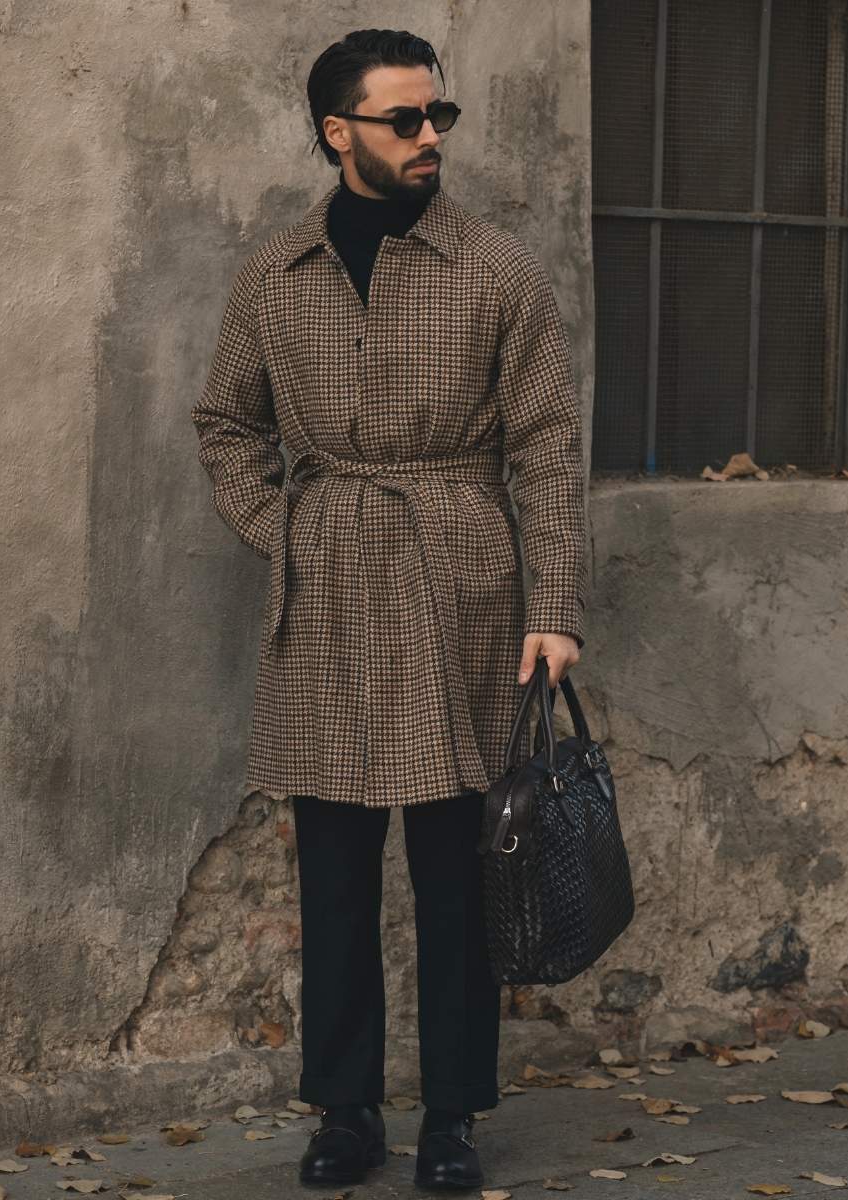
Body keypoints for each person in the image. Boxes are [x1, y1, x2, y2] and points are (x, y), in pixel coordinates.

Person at [191, 27, 587, 1191]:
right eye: (405, 119)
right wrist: (287, 531)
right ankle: (346, 1112)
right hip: (327, 591)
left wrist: (552, 603)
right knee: (334, 868)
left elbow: (550, 446)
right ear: (337, 132)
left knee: (460, 869)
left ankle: (453, 1117)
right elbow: (225, 424)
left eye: (438, 116)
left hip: (462, 580)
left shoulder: (494, 269)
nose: (430, 137)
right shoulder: (277, 273)